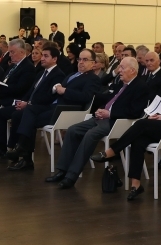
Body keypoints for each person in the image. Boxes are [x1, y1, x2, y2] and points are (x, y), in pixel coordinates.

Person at [92, 59, 161, 199]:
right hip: (160, 126)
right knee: (138, 140)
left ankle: (112, 151)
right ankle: (136, 184)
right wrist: (154, 113)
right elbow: (160, 106)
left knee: (141, 124)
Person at [45, 57, 149, 189]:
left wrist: (110, 113)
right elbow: (109, 99)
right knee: (72, 130)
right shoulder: (120, 84)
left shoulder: (140, 87)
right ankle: (62, 170)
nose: (119, 70)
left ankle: (71, 176)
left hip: (117, 122)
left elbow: (135, 111)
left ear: (133, 70)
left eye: (122, 68)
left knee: (90, 134)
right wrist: (100, 108)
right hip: (102, 117)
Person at [4, 44, 70, 170]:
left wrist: (29, 103)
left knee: (28, 113)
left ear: (54, 59)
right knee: (17, 115)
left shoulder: (58, 75)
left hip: (46, 107)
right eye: (42, 55)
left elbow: (49, 97)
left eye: (46, 56)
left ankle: (20, 149)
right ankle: (21, 153)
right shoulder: (41, 73)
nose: (42, 58)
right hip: (35, 107)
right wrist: (24, 101)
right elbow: (31, 91)